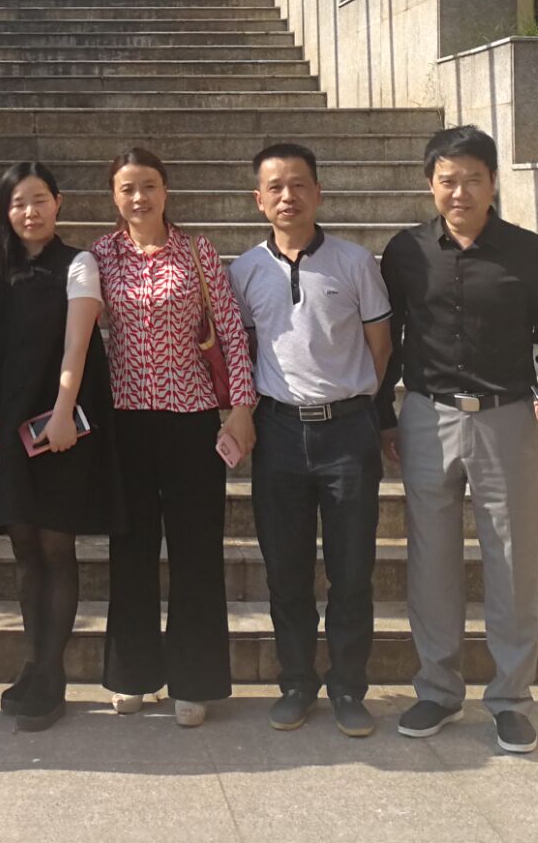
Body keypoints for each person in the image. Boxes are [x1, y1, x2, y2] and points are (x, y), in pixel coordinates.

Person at [376, 125, 538, 756]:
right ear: (429, 184)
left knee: (512, 561)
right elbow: (390, 341)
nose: (459, 192)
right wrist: (384, 414)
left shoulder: (528, 252)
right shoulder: (405, 252)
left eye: (472, 179)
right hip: (427, 415)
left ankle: (511, 700)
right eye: (447, 180)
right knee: (431, 561)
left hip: (506, 419)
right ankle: (437, 690)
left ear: (493, 183)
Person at [229, 142, 393, 738]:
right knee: (286, 571)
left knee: (351, 571)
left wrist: (360, 406)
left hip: (347, 432)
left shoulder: (354, 262)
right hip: (277, 433)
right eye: (275, 187)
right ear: (259, 200)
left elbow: (380, 347)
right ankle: (297, 682)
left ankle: (348, 687)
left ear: (318, 192)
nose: (288, 196)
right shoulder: (244, 270)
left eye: (298, 184)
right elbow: (242, 350)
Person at [89, 146, 256, 727]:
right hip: (126, 422)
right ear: (114, 197)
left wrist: (241, 406)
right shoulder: (101, 256)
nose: (140, 198)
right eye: (128, 188)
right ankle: (131, 674)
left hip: (191, 421)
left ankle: (194, 680)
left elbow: (230, 331)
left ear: (166, 191)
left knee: (196, 552)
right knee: (130, 551)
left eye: (149, 186)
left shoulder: (197, 251)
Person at [0, 161, 121, 732]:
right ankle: (32, 663)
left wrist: (61, 414)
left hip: (62, 423)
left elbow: (77, 346)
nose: (29, 212)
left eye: (39, 200)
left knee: (56, 546)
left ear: (58, 203)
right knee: (24, 548)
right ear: (4, 211)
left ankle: (53, 674)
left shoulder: (78, 264)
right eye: (18, 203)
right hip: (9, 421)